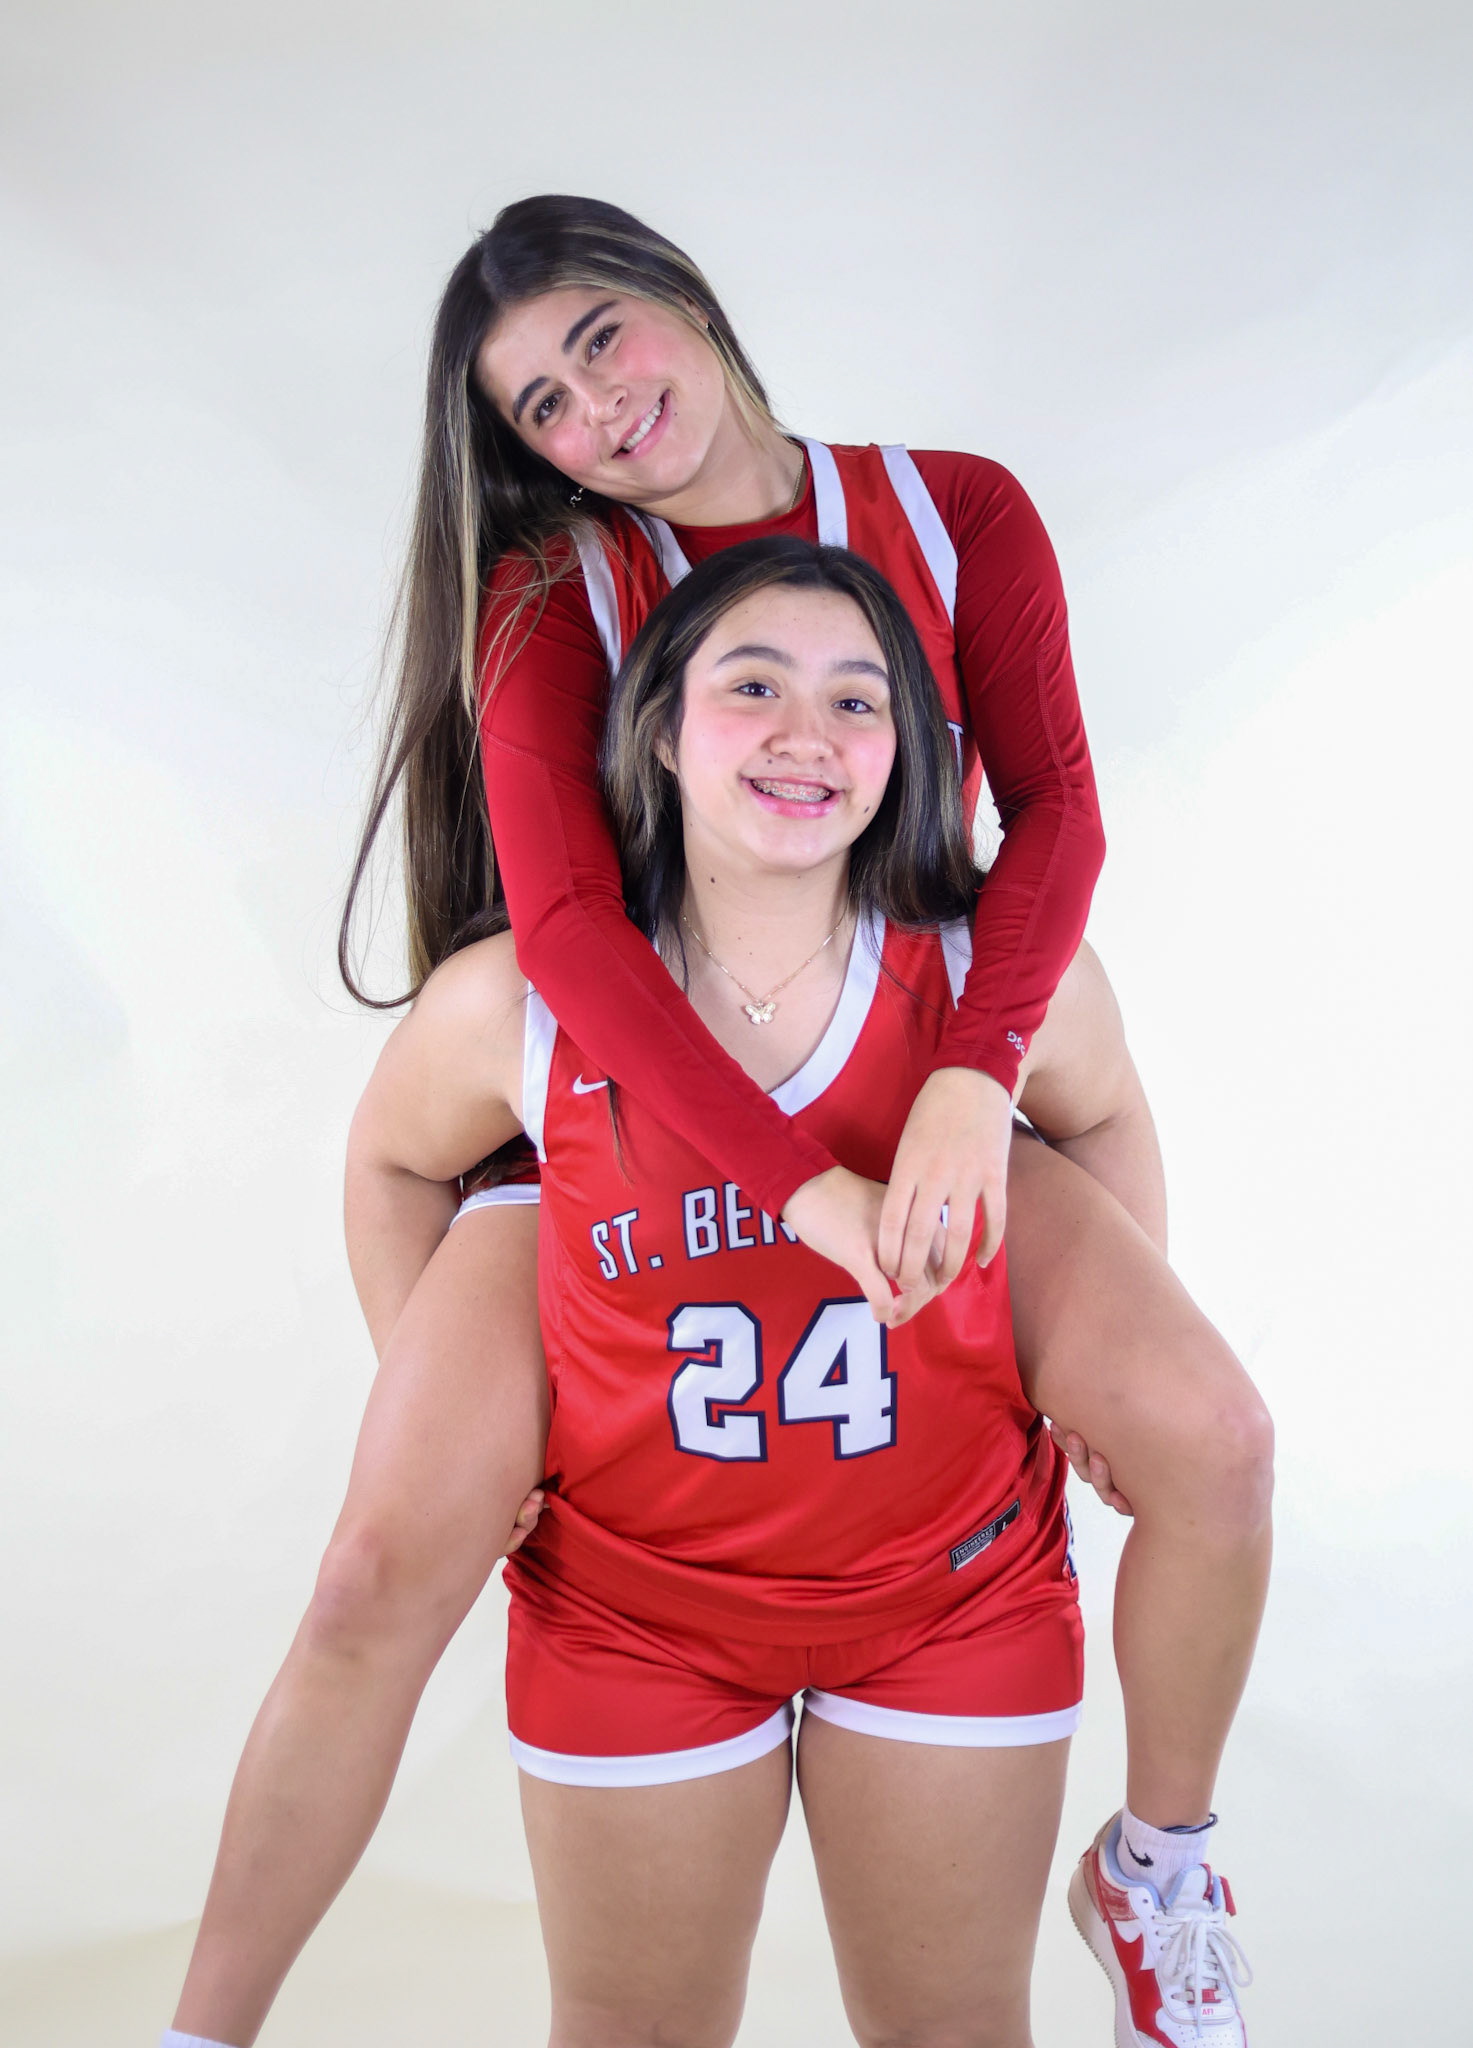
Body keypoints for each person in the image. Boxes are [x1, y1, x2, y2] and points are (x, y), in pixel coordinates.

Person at [165, 200, 1270, 2048]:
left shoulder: (948, 513)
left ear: (680, 294)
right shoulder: (554, 602)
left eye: (602, 342)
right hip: (621, 1124)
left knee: (1209, 1435)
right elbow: (573, 944)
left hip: (925, 1073)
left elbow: (1058, 830)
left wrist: (970, 1082)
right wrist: (786, 1195)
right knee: (380, 1567)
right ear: (658, 728)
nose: (595, 414)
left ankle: (1165, 1866)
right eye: (540, 411)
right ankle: (206, 2022)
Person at [364, 538, 1087, 2046]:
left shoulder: (990, 972)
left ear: (910, 754)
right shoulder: (523, 1002)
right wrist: (437, 1410)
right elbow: (389, 1166)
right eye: (750, 685)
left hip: (955, 1590)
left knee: (956, 2025)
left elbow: (1106, 1129)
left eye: (857, 698)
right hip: (631, 1609)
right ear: (658, 724)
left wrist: (1078, 1372)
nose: (805, 732)